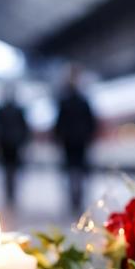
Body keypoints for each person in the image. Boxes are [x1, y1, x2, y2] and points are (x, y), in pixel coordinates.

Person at [54, 70, 97, 214]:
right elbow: (91, 122)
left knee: (74, 172)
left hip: (73, 142)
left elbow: (59, 123)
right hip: (77, 142)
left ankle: (75, 199)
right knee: (77, 171)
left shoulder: (65, 101)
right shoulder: (81, 101)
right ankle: (76, 199)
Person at [0, 89, 29, 208]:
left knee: (9, 169)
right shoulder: (13, 111)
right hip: (10, 144)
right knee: (9, 169)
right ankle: (10, 191)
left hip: (9, 144)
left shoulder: (2, 111)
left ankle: (10, 190)